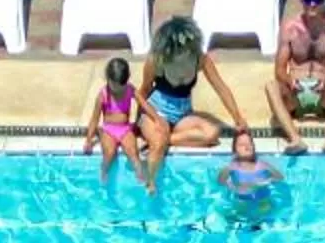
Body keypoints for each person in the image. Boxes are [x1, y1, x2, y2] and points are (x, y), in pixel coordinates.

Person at [139, 15, 246, 177]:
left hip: (182, 115)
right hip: (156, 112)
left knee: (212, 133)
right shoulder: (157, 60)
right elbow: (144, 90)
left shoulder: (199, 59)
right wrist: (136, 122)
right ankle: (151, 184)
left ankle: (165, 137)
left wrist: (238, 118)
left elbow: (221, 88)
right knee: (157, 147)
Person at [268, 0, 325, 153]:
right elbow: (279, 70)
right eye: (308, 0)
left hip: (323, 95)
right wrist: (290, 81)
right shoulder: (290, 27)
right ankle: (295, 140)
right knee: (271, 86)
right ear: (302, 2)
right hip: (295, 96)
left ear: (324, 2)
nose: (312, 5)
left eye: (317, 0)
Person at [84, 55, 149, 186]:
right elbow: (94, 119)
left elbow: (144, 104)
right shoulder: (103, 95)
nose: (119, 90)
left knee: (133, 152)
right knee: (109, 153)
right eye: (115, 86)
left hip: (125, 129)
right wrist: (89, 139)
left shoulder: (129, 89)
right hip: (108, 130)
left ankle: (141, 176)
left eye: (122, 86)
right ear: (108, 79)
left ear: (127, 80)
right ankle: (104, 171)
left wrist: (151, 119)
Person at [218, 125, 283, 224]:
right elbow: (221, 181)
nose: (247, 146)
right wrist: (230, 185)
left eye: (250, 144)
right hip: (242, 200)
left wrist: (266, 182)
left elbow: (279, 178)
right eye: (241, 145)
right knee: (236, 217)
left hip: (262, 199)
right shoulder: (232, 167)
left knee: (265, 215)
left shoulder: (262, 165)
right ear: (235, 151)